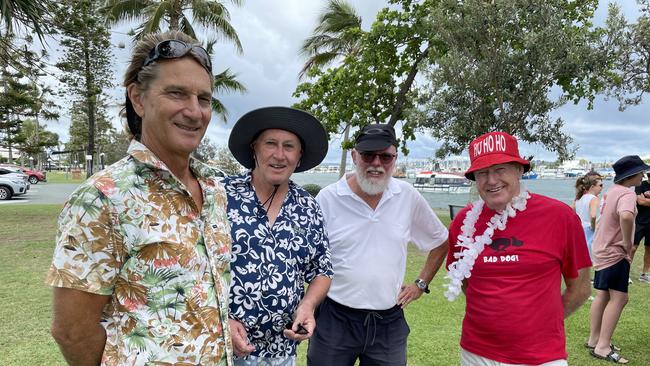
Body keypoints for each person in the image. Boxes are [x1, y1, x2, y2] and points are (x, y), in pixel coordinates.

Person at [46, 31, 234, 365]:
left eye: (203, 99)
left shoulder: (214, 189)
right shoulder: (102, 198)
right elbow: (72, 331)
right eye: (177, 94)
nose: (194, 111)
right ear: (138, 99)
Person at [445, 131, 591, 366]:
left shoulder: (560, 216)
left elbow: (581, 287)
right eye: (482, 172)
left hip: (541, 356)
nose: (491, 180)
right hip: (476, 353)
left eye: (500, 169)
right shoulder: (463, 222)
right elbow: (465, 281)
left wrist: (542, 322)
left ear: (519, 170)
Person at [307, 124, 449, 366]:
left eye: (385, 156)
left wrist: (420, 284)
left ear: (395, 158)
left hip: (388, 322)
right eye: (367, 155)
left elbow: (441, 240)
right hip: (335, 317)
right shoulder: (328, 198)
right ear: (354, 156)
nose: (376, 163)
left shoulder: (407, 195)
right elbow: (308, 257)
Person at [223, 106, 333, 365]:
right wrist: (221, 318)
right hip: (222, 347)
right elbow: (194, 265)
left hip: (280, 353)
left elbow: (322, 270)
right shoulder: (221, 194)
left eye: (289, 146)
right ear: (254, 148)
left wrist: (307, 306)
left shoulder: (308, 207)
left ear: (299, 154)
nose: (279, 155)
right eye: (270, 143)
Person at [587, 155, 650, 364]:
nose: (643, 175)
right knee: (620, 298)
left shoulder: (611, 192)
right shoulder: (627, 194)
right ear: (632, 175)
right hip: (614, 253)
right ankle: (602, 347)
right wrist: (626, 241)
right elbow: (625, 216)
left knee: (602, 295)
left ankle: (594, 339)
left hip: (601, 250)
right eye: (641, 172)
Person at [573, 173, 604, 258]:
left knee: (581, 258)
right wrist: (594, 228)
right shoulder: (594, 199)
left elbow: (572, 213)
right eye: (600, 185)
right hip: (590, 231)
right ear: (592, 186)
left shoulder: (579, 198)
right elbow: (593, 216)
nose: (602, 188)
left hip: (580, 229)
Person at [631, 172, 650, 283]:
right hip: (639, 222)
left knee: (649, 249)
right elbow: (640, 201)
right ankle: (625, 273)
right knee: (632, 248)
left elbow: (644, 200)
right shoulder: (640, 185)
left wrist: (646, 200)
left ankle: (644, 274)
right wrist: (644, 200)